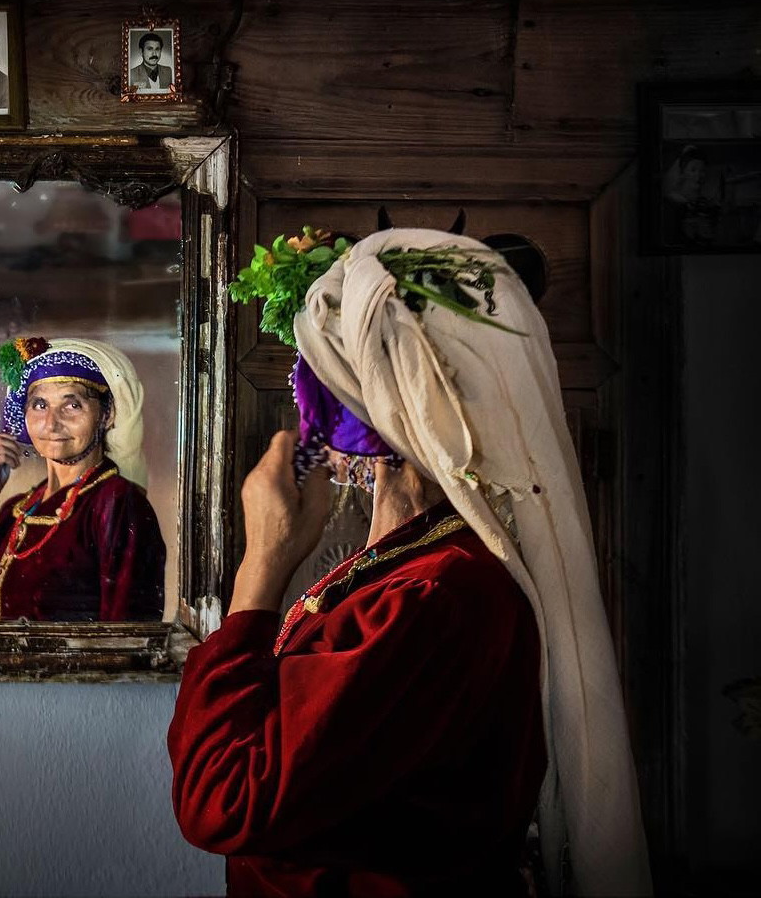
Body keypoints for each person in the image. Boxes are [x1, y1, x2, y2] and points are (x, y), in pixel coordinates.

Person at [168, 228, 651, 896]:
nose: (304, 418)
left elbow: (224, 800)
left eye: (322, 386)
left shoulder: (432, 594)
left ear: (381, 411)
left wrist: (262, 568)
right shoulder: (415, 561)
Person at [0, 337, 166, 621]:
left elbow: (126, 633)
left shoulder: (116, 503)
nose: (51, 423)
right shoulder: (19, 508)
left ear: (106, 414)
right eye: (39, 405)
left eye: (72, 406)